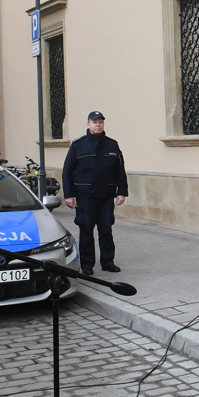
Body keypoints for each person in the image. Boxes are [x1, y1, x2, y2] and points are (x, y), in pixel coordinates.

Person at [62, 111, 128, 276]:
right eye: (94, 122)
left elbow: (120, 170)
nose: (98, 125)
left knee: (106, 229)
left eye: (100, 122)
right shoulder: (78, 145)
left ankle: (108, 262)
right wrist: (69, 195)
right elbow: (67, 171)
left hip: (106, 196)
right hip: (86, 197)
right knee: (86, 230)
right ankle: (87, 264)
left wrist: (122, 192)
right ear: (88, 124)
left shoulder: (112, 144)